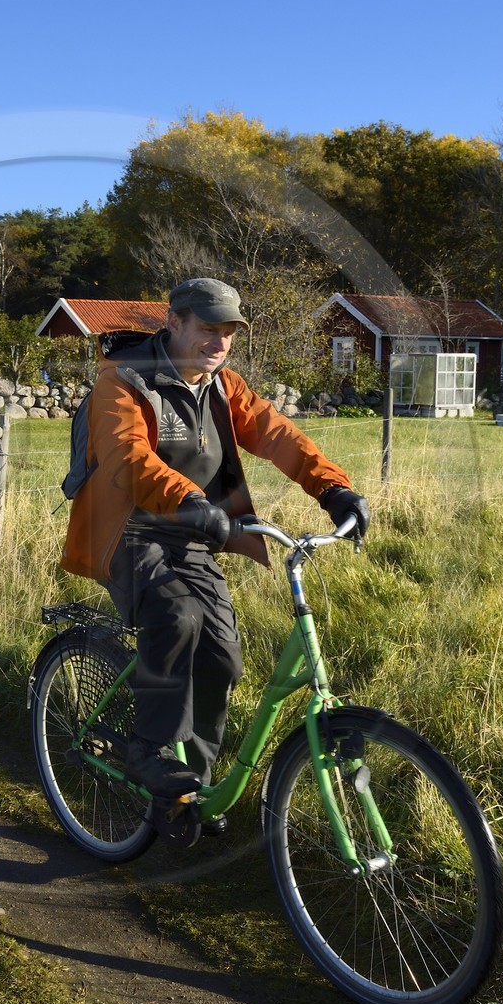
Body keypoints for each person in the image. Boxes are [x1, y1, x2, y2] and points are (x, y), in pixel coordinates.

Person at [60, 278, 369, 815]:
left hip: (193, 531)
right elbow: (127, 458)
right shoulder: (123, 381)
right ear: (174, 322)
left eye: (228, 332)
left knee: (222, 655)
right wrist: (190, 500)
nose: (219, 343)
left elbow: (279, 435)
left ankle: (188, 793)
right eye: (208, 329)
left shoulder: (223, 385)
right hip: (124, 531)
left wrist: (334, 488)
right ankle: (148, 749)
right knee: (176, 616)